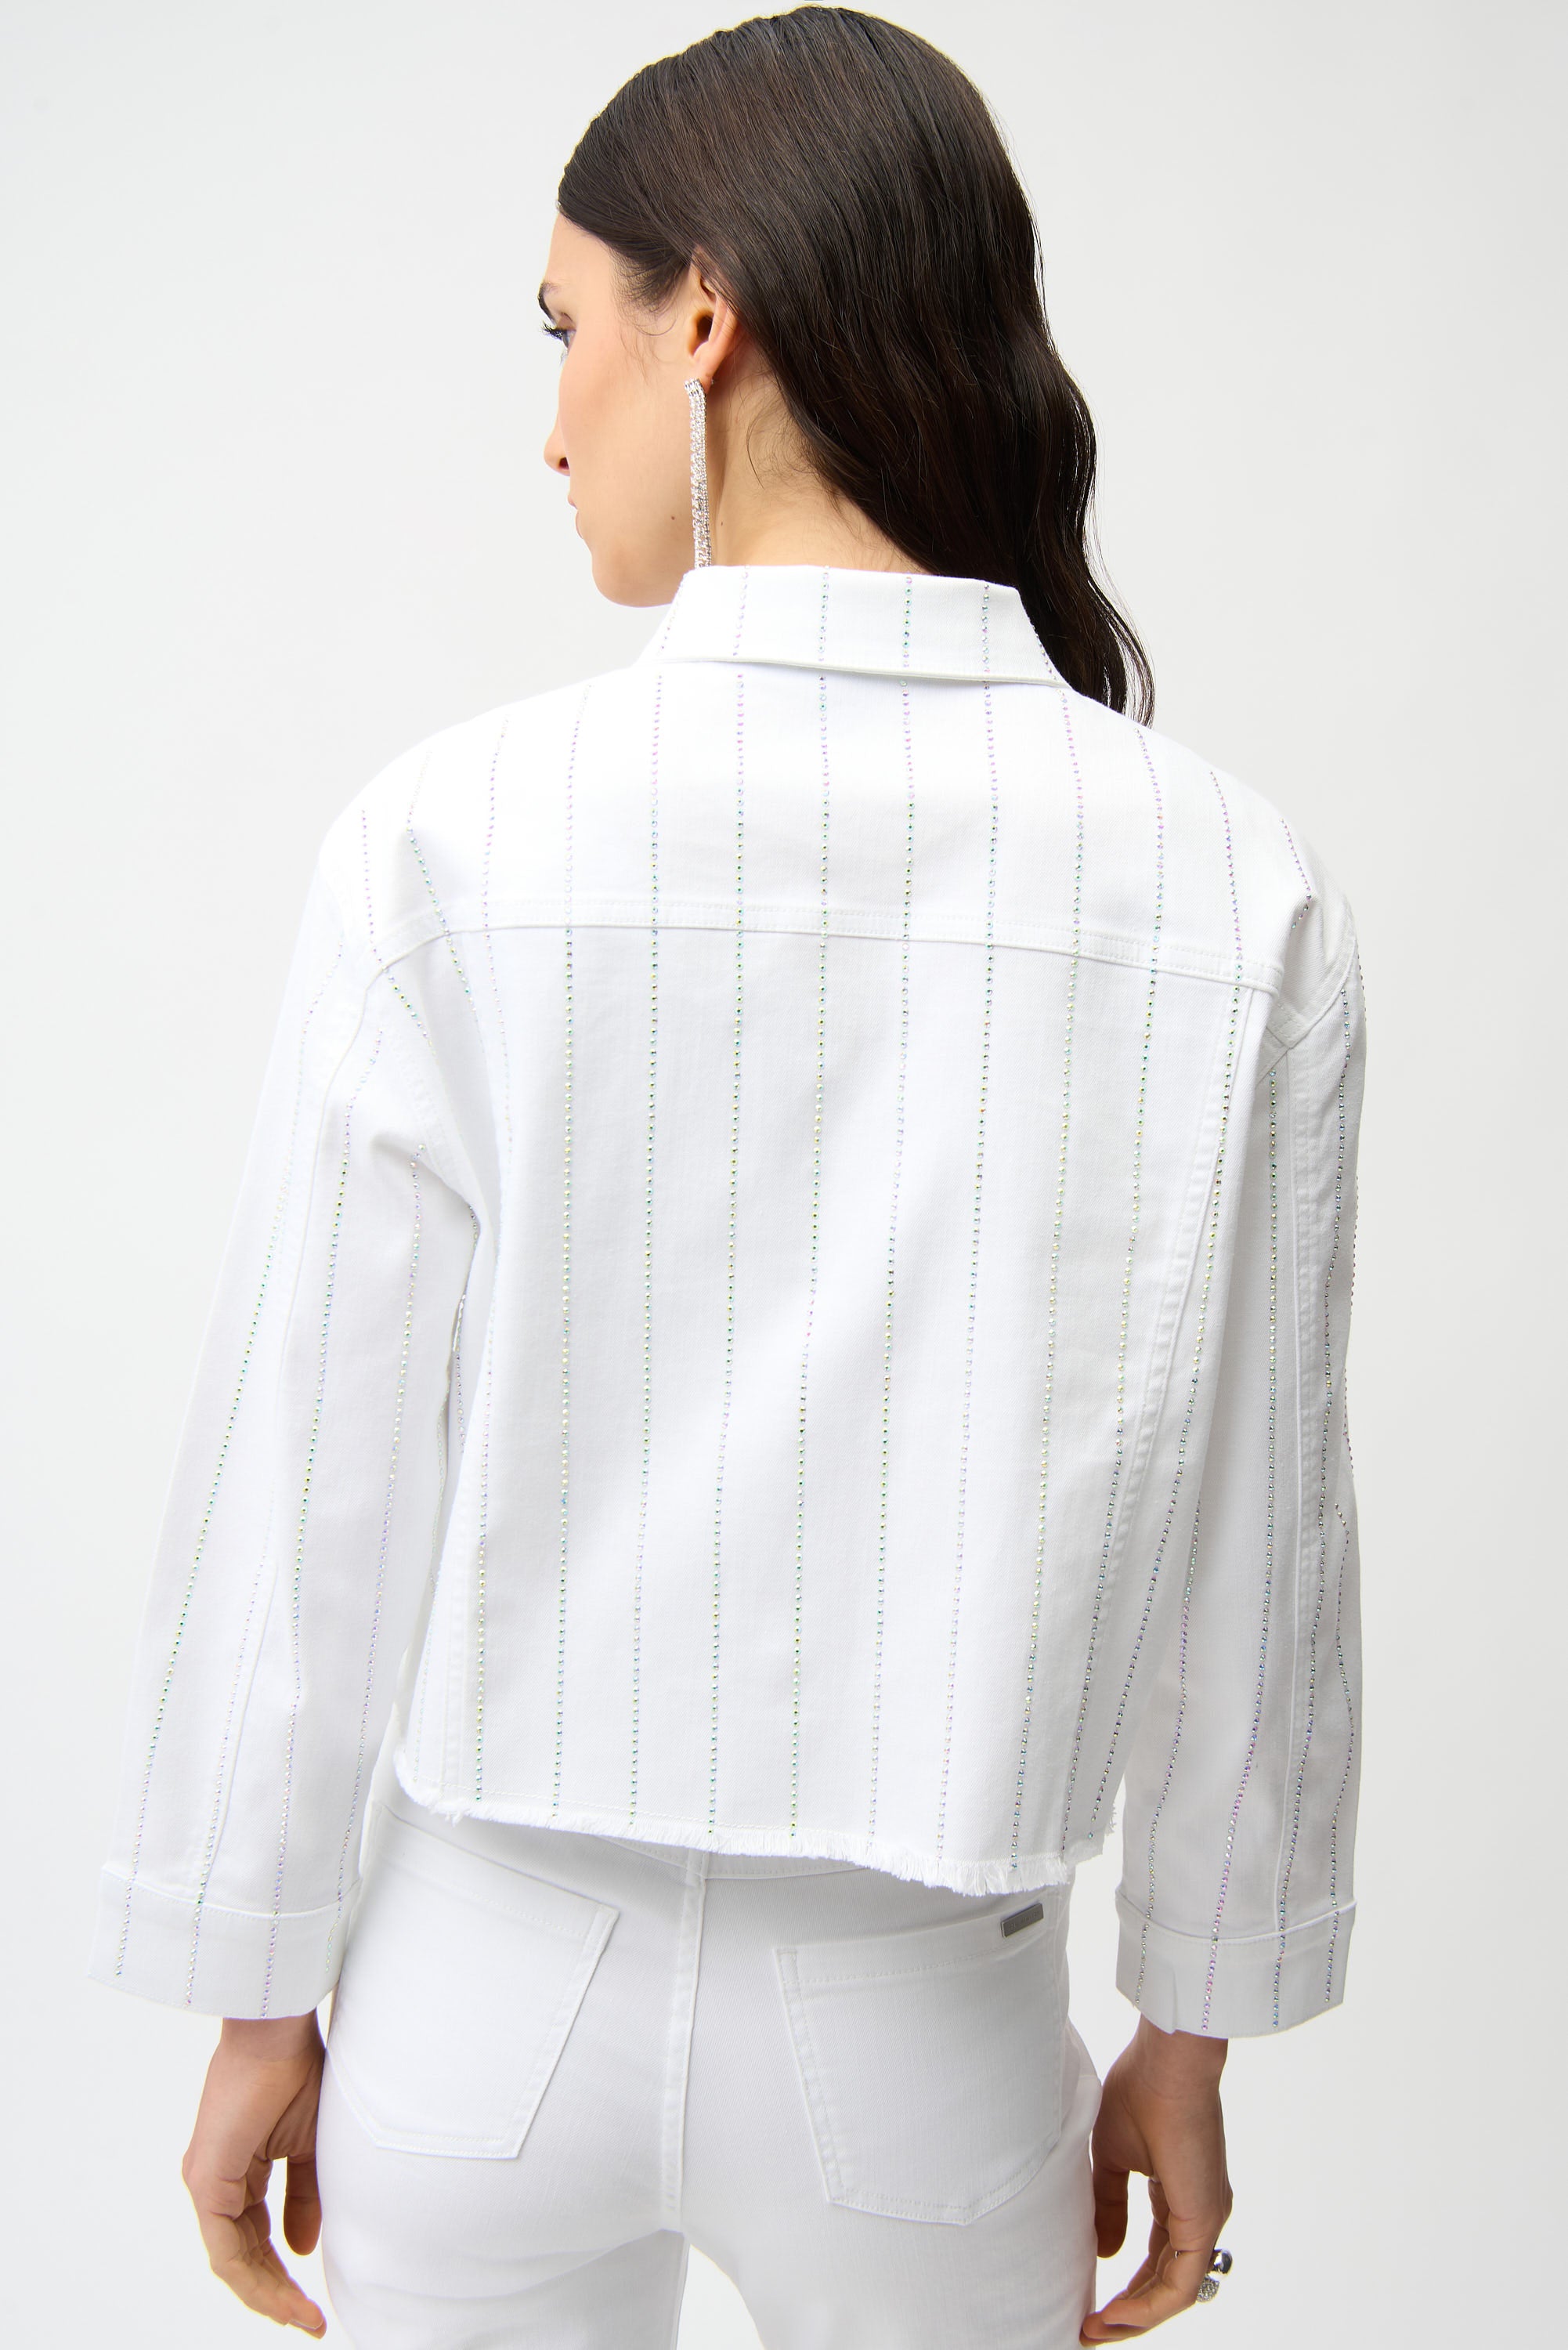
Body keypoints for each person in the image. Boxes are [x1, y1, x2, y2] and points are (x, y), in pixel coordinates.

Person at [88, 11, 1365, 2347]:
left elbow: (308, 1472)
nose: (546, 416)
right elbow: (1258, 1533)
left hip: (482, 1998)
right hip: (927, 2024)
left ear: (706, 317)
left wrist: (254, 1982)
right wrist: (1191, 2022)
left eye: (560, 326)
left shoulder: (450, 839)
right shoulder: (1224, 883)